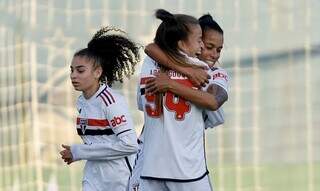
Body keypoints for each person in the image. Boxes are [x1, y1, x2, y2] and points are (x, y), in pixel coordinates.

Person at [129, 13, 228, 191]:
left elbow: (151, 48)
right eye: (206, 45)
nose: (213, 54)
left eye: (219, 50)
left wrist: (171, 83)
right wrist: (185, 74)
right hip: (183, 167)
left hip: (152, 163)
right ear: (185, 42)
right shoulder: (201, 69)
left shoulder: (151, 62)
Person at [60, 27, 140, 191]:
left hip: (120, 179)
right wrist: (79, 153)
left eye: (80, 70)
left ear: (97, 72)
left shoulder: (111, 102)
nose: (73, 75)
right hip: (93, 177)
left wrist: (79, 152)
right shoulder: (82, 101)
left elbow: (130, 145)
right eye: (72, 70)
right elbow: (96, 144)